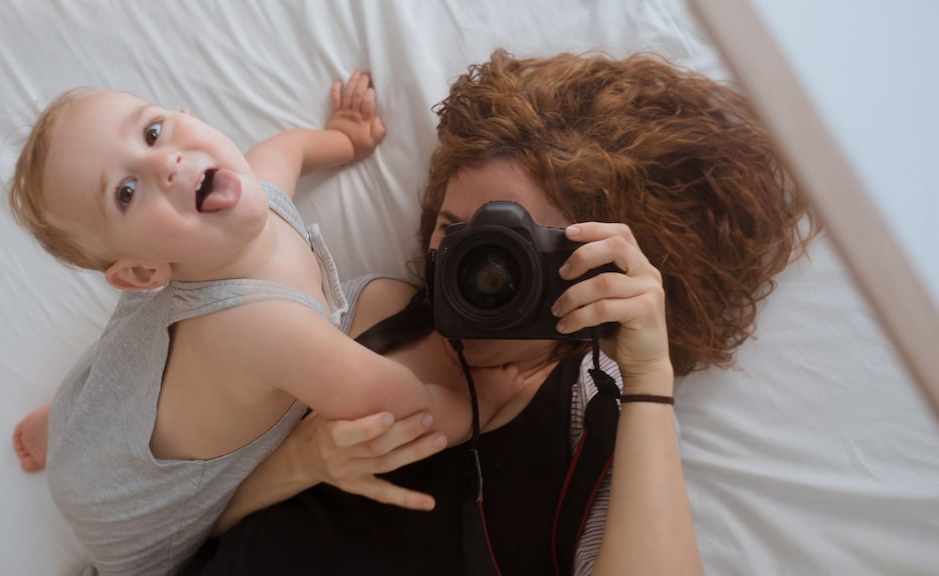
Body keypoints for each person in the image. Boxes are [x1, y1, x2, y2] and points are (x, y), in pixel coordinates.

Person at [179, 50, 817, 575]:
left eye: (519, 251)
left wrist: (649, 379)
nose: (481, 270)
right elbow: (185, 525)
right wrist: (302, 462)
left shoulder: (595, 412)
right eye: (458, 231)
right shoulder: (376, 311)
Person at [6, 72, 513, 576]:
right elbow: (405, 411)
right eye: (126, 191)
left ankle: (68, 423)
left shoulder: (252, 190)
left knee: (120, 358)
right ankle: (71, 438)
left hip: (105, 402)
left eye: (153, 132)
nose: (166, 163)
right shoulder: (265, 331)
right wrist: (484, 402)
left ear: (186, 116)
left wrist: (343, 137)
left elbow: (288, 148)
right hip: (132, 513)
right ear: (142, 271)